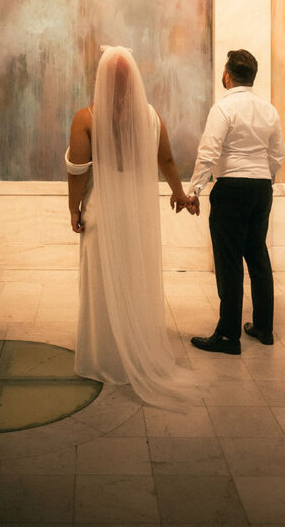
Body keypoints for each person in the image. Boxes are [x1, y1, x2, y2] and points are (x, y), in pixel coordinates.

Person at [65, 45, 198, 409]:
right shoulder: (151, 117)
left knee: (101, 281)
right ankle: (134, 351)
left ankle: (103, 356)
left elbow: (77, 170)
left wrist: (74, 207)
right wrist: (179, 194)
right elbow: (167, 158)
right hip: (136, 213)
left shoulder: (86, 118)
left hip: (103, 211)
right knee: (133, 276)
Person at [187, 49, 285, 355]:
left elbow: (209, 152)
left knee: (229, 261)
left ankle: (229, 335)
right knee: (257, 255)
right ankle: (263, 328)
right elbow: (278, 153)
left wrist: (194, 191)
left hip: (231, 187)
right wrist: (264, 179)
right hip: (260, 189)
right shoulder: (268, 109)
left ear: (227, 75)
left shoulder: (224, 108)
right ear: (252, 76)